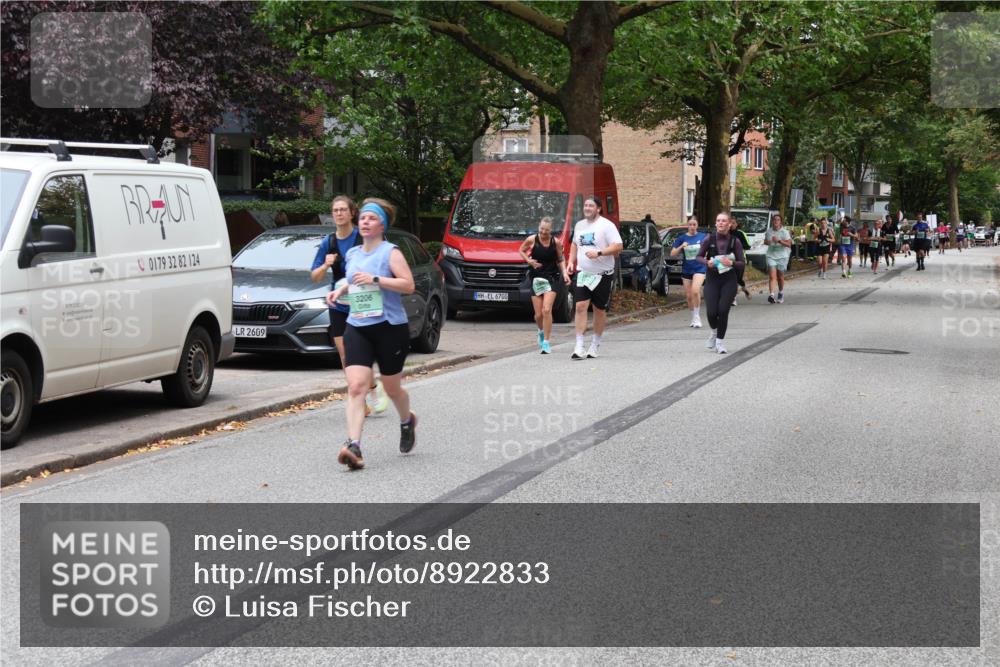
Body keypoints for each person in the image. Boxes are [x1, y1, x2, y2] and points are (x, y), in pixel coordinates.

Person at [326, 198, 417, 471]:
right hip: (357, 326)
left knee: (392, 388)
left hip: (390, 327)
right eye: (363, 217)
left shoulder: (391, 253)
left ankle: (407, 420)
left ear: (382, 225)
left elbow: (408, 285)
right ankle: (354, 445)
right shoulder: (353, 254)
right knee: (356, 386)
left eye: (372, 218)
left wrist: (376, 279)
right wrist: (341, 290)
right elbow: (353, 280)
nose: (365, 222)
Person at [311, 195, 388, 416]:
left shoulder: (361, 237)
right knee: (345, 355)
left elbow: (381, 258)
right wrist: (325, 265)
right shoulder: (328, 243)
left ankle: (372, 388)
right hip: (338, 304)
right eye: (335, 210)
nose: (339, 213)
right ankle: (361, 397)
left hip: (363, 301)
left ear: (352, 213)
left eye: (343, 209)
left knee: (361, 352)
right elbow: (314, 276)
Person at [568, 195, 623, 360]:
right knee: (580, 306)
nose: (587, 208)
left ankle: (595, 344)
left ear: (598, 209)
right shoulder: (579, 225)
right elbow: (574, 244)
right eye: (585, 205)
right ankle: (579, 345)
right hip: (583, 273)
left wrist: (599, 252)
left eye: (590, 206)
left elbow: (618, 246)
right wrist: (570, 261)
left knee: (599, 310)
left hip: (602, 275)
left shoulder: (607, 225)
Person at [519, 216, 570, 354]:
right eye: (541, 229)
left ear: (551, 230)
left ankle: (546, 342)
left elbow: (560, 259)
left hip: (552, 278)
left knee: (546, 310)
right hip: (536, 278)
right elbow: (521, 250)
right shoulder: (532, 240)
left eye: (546, 230)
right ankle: (541, 331)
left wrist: (565, 273)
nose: (543, 232)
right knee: (538, 315)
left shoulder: (556, 242)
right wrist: (529, 261)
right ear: (539, 227)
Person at [697, 212, 745, 355]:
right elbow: (698, 257)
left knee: (723, 310)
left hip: (729, 280)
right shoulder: (709, 239)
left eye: (724, 221)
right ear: (715, 223)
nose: (720, 223)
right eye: (718, 220)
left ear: (729, 224)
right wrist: (707, 262)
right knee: (711, 312)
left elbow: (742, 263)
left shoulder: (735, 241)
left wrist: (732, 263)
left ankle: (720, 342)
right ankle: (714, 332)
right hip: (712, 279)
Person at [669, 215, 708, 327]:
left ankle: (697, 317)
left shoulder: (703, 236)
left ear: (697, 225)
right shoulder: (682, 238)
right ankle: (693, 317)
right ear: (687, 225)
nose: (692, 227)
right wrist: (681, 246)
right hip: (687, 269)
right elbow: (672, 253)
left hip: (699, 268)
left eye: (694, 224)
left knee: (695, 291)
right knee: (689, 296)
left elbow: (709, 249)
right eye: (690, 224)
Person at [764, 213, 792, 303]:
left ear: (780, 222)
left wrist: (779, 241)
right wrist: (769, 242)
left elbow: (789, 244)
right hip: (771, 255)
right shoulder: (769, 231)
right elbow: (765, 242)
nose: (776, 221)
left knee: (780, 277)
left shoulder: (784, 232)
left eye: (778, 220)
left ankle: (780, 293)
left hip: (782, 256)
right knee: (772, 276)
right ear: (772, 221)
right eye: (774, 219)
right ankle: (771, 295)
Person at [729, 217, 752, 303]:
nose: (731, 225)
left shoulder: (741, 234)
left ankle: (744, 288)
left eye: (733, 223)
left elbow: (748, 246)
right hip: (727, 260)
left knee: (737, 279)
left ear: (736, 224)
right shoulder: (724, 233)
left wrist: (737, 246)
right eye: (730, 223)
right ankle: (733, 298)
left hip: (740, 259)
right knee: (731, 279)